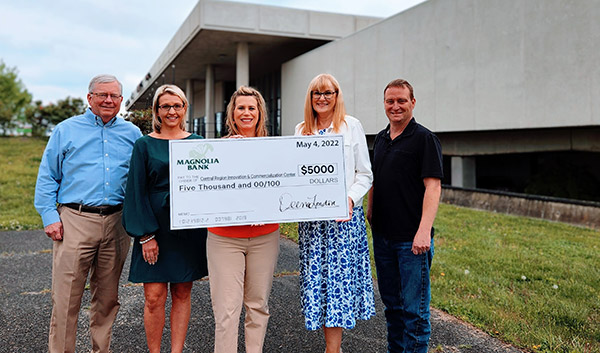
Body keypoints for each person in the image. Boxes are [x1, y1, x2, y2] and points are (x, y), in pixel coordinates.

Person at [34, 74, 142, 353]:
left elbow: (143, 176)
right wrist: (50, 216)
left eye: (114, 96)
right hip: (75, 221)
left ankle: (100, 350)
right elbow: (48, 175)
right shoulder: (66, 130)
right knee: (66, 298)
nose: (108, 100)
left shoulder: (132, 134)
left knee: (107, 298)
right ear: (89, 98)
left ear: (121, 100)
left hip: (117, 223)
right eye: (102, 95)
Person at [122, 84, 208, 353]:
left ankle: (177, 351)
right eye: (165, 106)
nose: (171, 111)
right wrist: (146, 235)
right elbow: (135, 192)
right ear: (157, 111)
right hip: (154, 227)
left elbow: (210, 186)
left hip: (188, 230)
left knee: (182, 293)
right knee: (154, 297)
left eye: (177, 105)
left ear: (184, 109)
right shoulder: (144, 145)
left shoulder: (198, 144)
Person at [295, 73, 375, 353]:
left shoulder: (351, 126)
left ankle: (333, 349)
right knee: (320, 285)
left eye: (328, 92)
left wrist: (350, 200)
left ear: (337, 96)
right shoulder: (301, 129)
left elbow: (364, 174)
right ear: (310, 97)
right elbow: (296, 175)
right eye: (316, 93)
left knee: (338, 285)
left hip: (343, 222)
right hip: (314, 225)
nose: (322, 98)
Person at [367, 79, 443, 353]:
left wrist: (424, 231)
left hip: (412, 241)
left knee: (415, 313)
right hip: (384, 238)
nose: (395, 106)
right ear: (384, 104)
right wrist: (371, 209)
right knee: (393, 309)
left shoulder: (424, 138)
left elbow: (433, 187)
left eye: (401, 101)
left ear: (413, 102)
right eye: (390, 101)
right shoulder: (381, 139)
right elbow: (375, 179)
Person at [206, 86, 280, 353]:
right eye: (241, 108)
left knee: (258, 305)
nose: (246, 113)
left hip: (265, 237)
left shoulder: (276, 149)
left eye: (252, 108)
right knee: (227, 309)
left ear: (260, 113)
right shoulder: (216, 149)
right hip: (224, 238)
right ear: (232, 114)